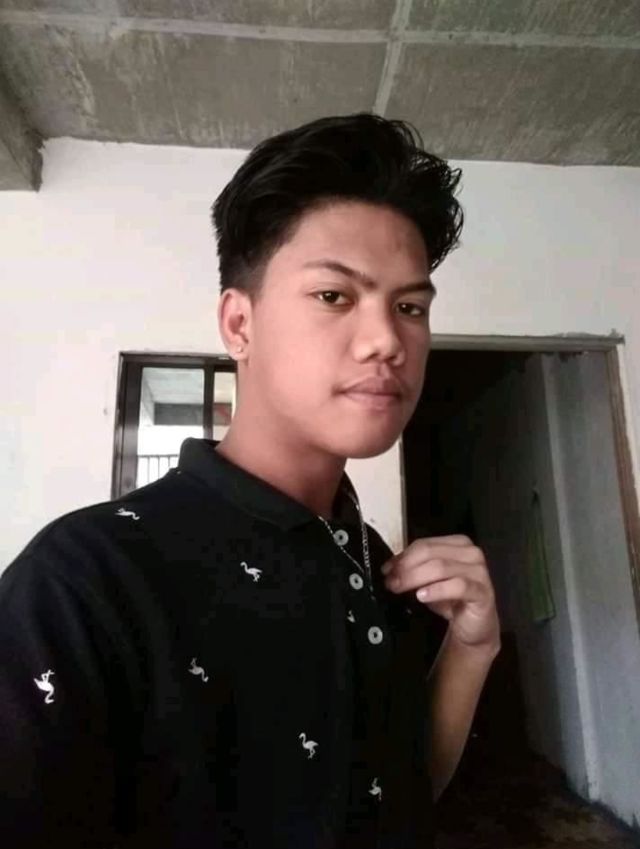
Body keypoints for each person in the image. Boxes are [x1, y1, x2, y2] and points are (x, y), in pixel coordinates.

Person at [0, 113, 501, 848]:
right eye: (334, 296)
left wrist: (470, 649)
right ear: (239, 324)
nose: (387, 341)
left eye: (410, 307)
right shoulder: (86, 580)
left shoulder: (372, 560)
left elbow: (395, 794)